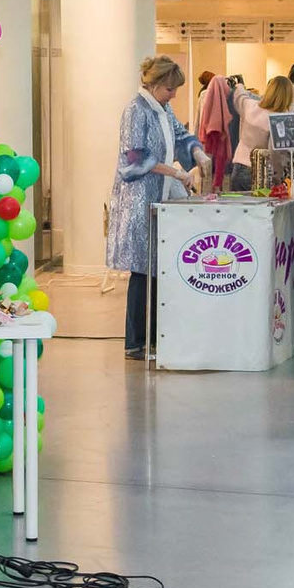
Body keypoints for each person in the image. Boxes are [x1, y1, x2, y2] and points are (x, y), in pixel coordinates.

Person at [109, 55, 195, 360]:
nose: (174, 95)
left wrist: (198, 153)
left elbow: (181, 134)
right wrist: (173, 171)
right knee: (142, 270)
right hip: (137, 199)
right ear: (156, 84)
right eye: (170, 89)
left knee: (157, 268)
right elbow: (133, 161)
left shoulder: (162, 108)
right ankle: (135, 341)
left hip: (157, 197)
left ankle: (154, 335)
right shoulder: (136, 111)